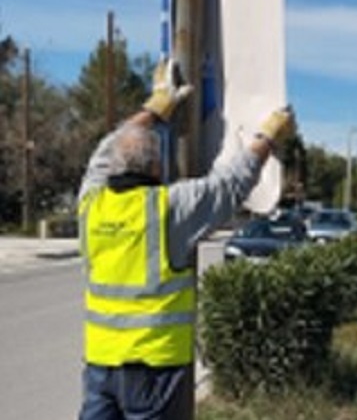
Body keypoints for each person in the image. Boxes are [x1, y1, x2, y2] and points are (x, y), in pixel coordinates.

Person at [77, 59, 295, 419]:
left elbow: (106, 149)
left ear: (115, 165)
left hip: (101, 365)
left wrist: (156, 107)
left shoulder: (91, 202)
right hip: (156, 368)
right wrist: (267, 135)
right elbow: (229, 185)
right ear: (155, 167)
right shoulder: (167, 209)